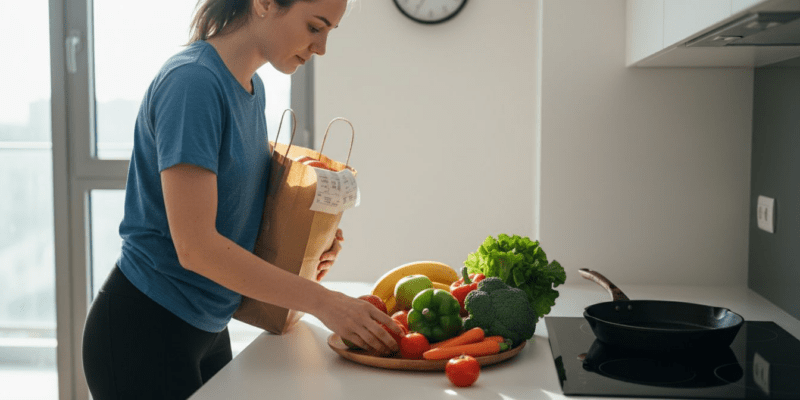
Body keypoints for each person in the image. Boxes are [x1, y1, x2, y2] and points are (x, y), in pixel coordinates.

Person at [82, 0, 400, 398]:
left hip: (208, 325)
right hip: (145, 328)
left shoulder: (252, 88)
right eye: (315, 27)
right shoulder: (192, 84)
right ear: (264, 3)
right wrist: (325, 303)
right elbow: (196, 248)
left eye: (328, 33)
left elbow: (236, 219)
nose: (320, 48)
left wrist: (308, 249)